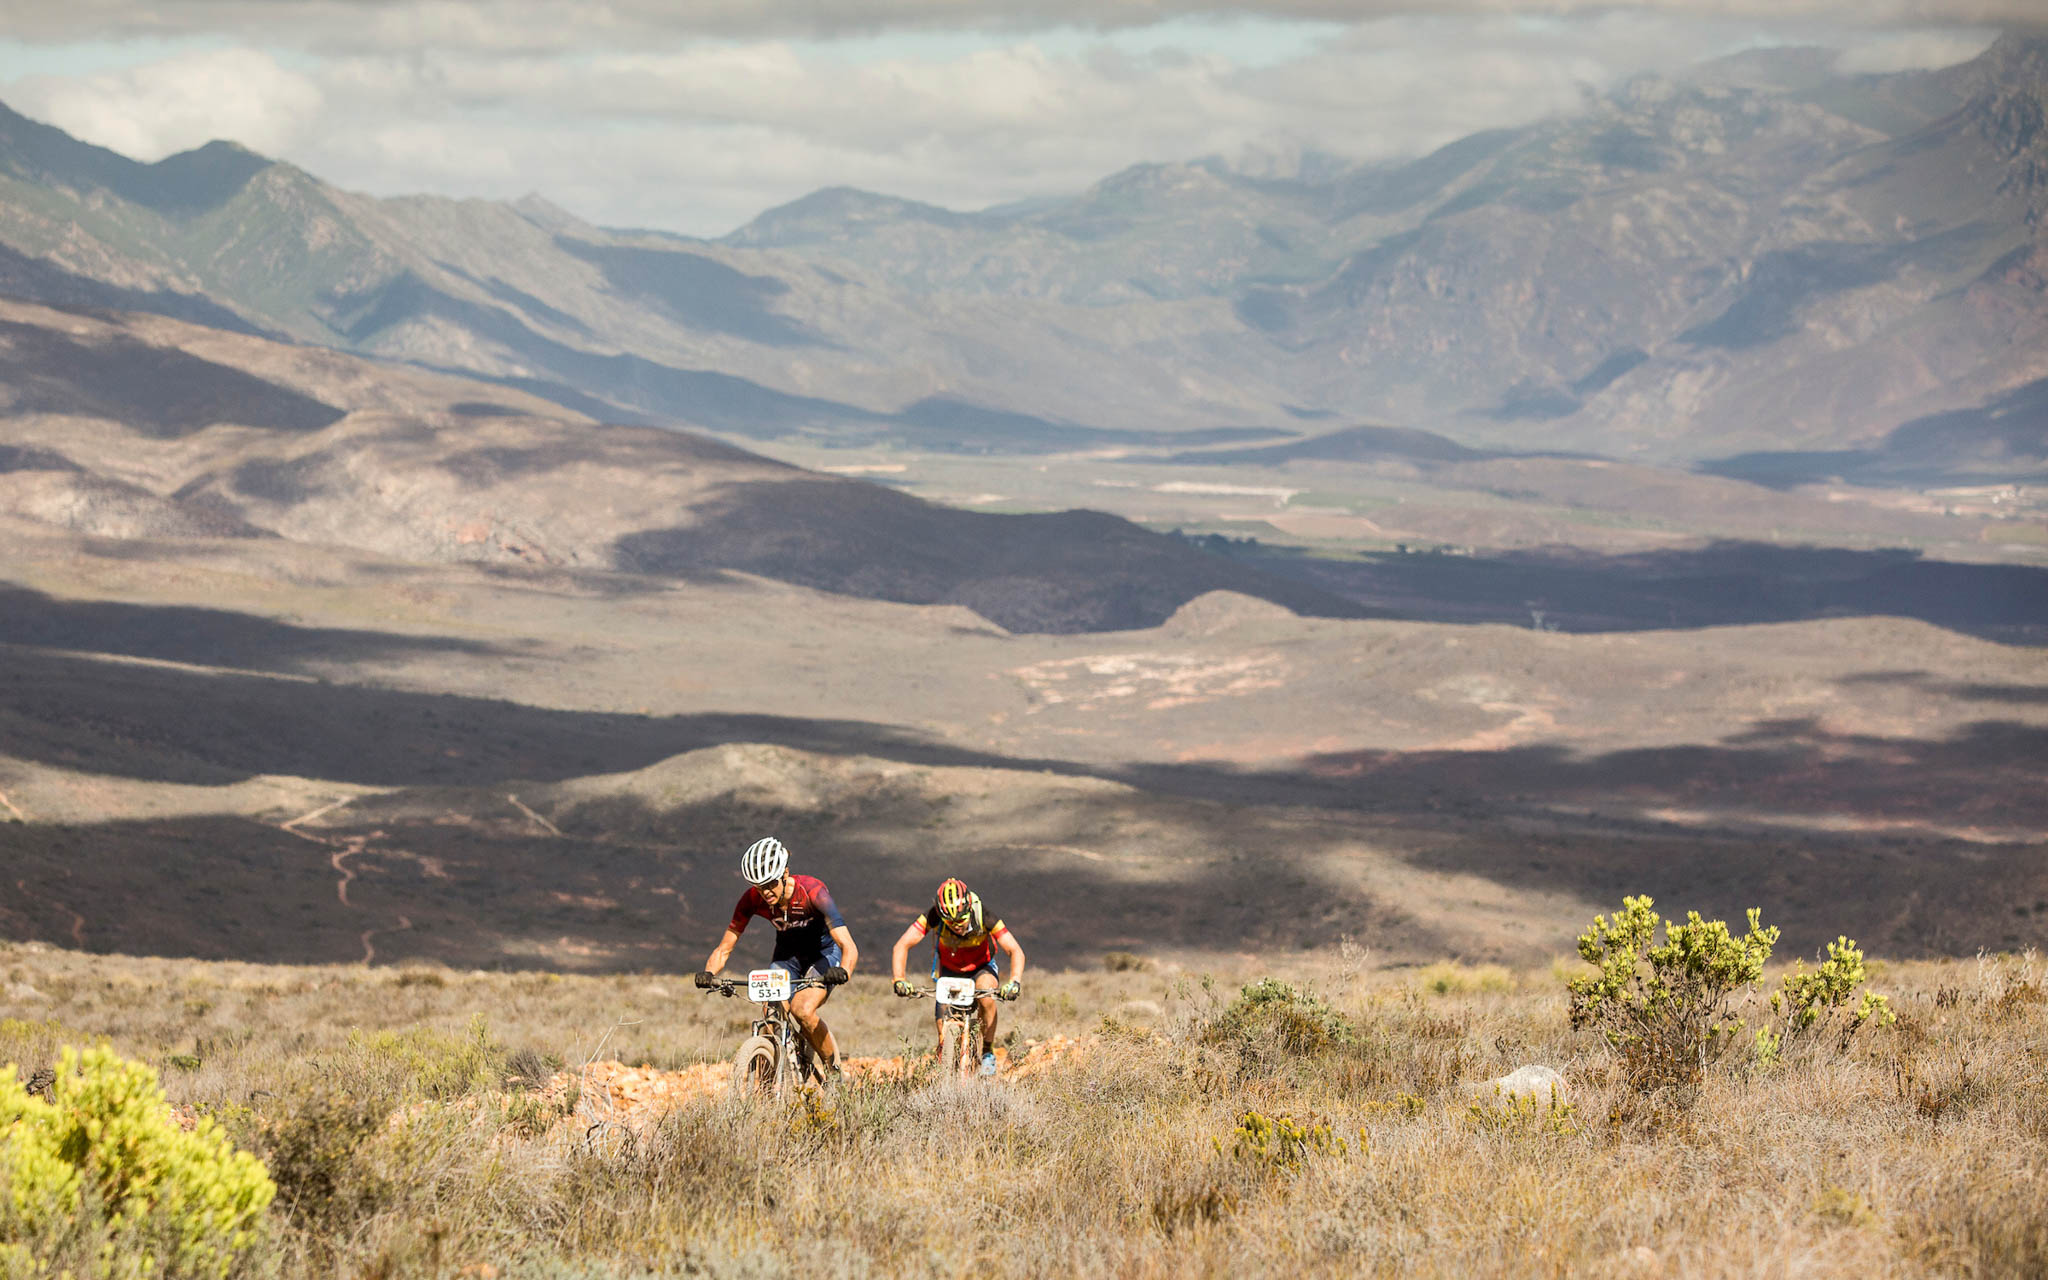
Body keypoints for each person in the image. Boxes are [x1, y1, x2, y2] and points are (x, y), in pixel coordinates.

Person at [694, 836, 858, 1077]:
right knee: (770, 1017)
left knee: (802, 1010)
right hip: (787, 957)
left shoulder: (813, 891)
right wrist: (709, 973)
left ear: (785, 874)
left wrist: (843, 970)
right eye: (759, 887)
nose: (765, 892)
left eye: (770, 884)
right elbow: (725, 947)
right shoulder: (751, 899)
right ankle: (768, 1087)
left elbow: (848, 945)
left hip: (824, 954)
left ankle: (835, 1075)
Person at [889, 877, 1024, 1077]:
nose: (956, 926)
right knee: (943, 1024)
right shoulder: (934, 915)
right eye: (950, 922)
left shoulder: (984, 916)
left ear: (969, 909)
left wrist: (1014, 982)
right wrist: (899, 979)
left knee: (986, 994)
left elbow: (1015, 950)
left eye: (961, 920)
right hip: (950, 970)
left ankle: (987, 1051)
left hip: (981, 967)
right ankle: (945, 1052)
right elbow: (902, 945)